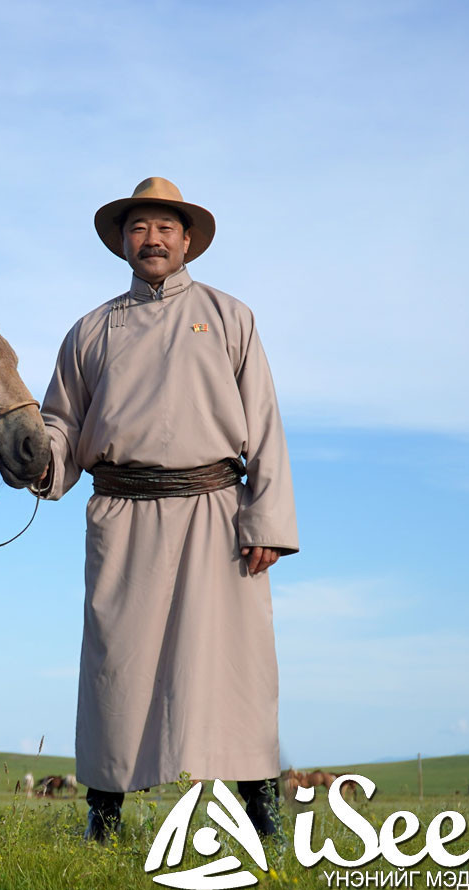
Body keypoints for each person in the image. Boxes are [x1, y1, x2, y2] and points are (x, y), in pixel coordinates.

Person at [33, 177, 299, 842]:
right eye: (139, 228)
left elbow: (264, 423)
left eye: (164, 228)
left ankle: (258, 804)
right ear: (123, 243)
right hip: (123, 513)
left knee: (239, 665)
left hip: (217, 511)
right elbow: (61, 424)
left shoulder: (231, 316)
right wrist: (38, 459)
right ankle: (106, 811)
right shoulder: (90, 330)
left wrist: (266, 519)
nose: (152, 239)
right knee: (116, 664)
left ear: (187, 241)